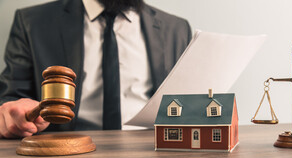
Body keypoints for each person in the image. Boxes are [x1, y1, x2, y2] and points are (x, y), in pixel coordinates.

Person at [0, 0, 192, 138]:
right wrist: (14, 114)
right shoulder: (32, 23)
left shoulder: (177, 29)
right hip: (63, 156)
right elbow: (10, 100)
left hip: (152, 153)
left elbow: (187, 106)